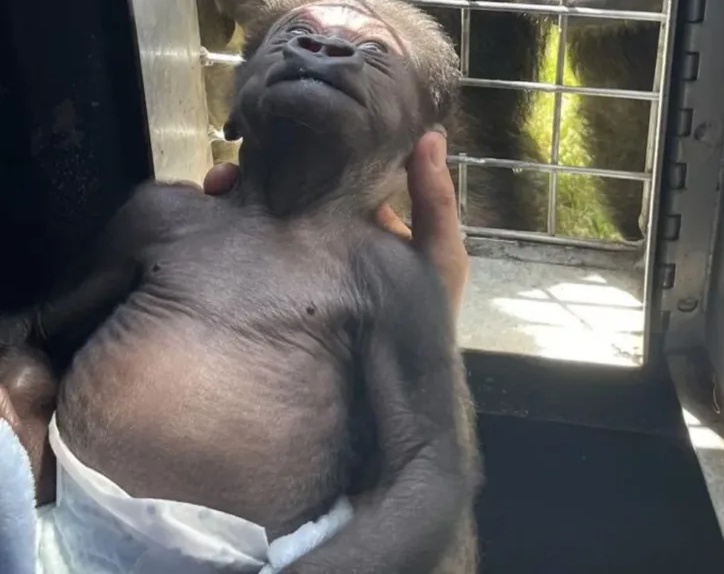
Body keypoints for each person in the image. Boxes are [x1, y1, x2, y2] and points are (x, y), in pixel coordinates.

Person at [0, 130, 469, 508]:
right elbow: (38, 332)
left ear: (409, 155)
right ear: (238, 114)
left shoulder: (383, 286)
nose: (321, 47)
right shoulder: (166, 215)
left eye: (371, 53)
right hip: (60, 501)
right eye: (292, 38)